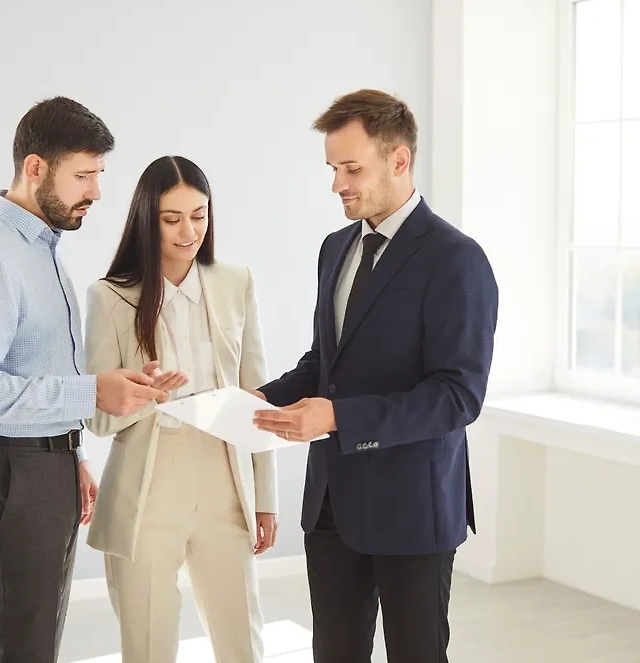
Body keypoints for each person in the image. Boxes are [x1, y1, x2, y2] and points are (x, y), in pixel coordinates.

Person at [252, 89, 499, 662]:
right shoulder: (335, 248)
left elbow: (457, 395)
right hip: (333, 504)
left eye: (352, 168)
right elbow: (325, 364)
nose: (338, 184)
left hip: (414, 507)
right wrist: (260, 398)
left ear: (399, 160)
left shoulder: (456, 260)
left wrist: (338, 417)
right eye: (333, 169)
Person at [0, 96, 177, 663]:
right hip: (10, 475)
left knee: (35, 643)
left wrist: (71, 454)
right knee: (22, 648)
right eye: (84, 175)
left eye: (99, 175)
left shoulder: (40, 250)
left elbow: (33, 369)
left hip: (41, 470)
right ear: (36, 168)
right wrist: (93, 392)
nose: (95, 191)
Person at [84, 155, 279, 663]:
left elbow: (259, 398)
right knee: (148, 647)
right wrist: (144, 394)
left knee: (243, 645)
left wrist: (266, 497)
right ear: (147, 220)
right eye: (172, 219)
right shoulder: (110, 297)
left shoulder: (237, 283)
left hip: (225, 481)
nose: (188, 230)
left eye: (199, 214)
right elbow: (99, 420)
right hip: (147, 491)